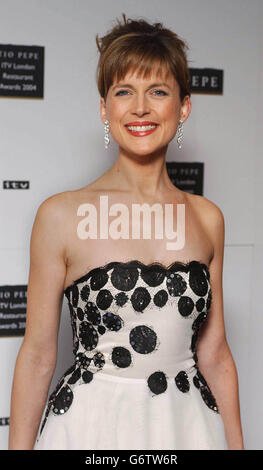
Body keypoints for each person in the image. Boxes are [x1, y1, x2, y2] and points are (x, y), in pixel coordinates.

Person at [8, 13, 244, 450]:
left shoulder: (208, 218)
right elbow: (38, 355)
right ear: (104, 108)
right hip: (88, 429)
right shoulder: (61, 215)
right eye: (123, 92)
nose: (140, 107)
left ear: (184, 106)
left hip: (187, 428)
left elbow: (214, 354)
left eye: (158, 91)